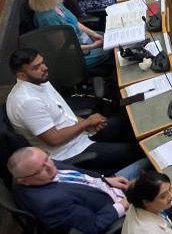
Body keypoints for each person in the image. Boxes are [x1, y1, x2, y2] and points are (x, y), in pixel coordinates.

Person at [7, 49, 144, 174]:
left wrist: (86, 124)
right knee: (139, 150)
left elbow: (63, 112)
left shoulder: (39, 80)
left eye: (43, 62)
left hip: (80, 135)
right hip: (71, 152)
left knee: (130, 123)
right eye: (36, 67)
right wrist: (86, 123)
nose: (44, 68)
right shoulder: (27, 102)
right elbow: (54, 139)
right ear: (21, 75)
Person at [8, 147, 132, 234]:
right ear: (25, 181)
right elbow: (93, 227)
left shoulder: (37, 168)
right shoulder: (51, 204)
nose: (50, 166)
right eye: (40, 170)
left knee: (146, 160)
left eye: (47, 158)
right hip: (117, 208)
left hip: (106, 186)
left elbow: (81, 176)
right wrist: (123, 205)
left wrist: (105, 180)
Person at [29, 0, 110, 70]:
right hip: (76, 54)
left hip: (84, 40)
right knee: (109, 50)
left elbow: (75, 22)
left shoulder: (56, 3)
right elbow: (63, 47)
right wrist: (92, 46)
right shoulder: (47, 19)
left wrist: (93, 33)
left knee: (110, 39)